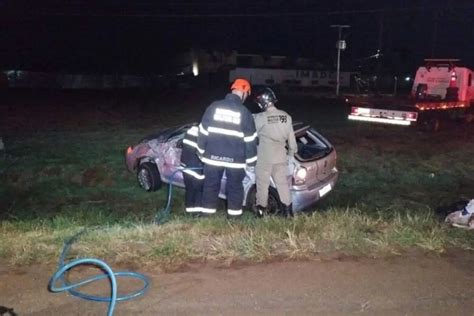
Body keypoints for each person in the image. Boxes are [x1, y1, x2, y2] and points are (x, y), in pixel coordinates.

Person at [197, 78, 257, 218]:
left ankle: (207, 217)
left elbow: (203, 131)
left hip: (212, 158)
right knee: (235, 188)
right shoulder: (245, 113)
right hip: (236, 161)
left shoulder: (213, 107)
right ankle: (234, 219)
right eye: (246, 95)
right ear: (244, 92)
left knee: (210, 187)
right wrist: (251, 163)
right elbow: (250, 140)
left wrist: (201, 152)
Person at [253, 87, 297, 217]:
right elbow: (292, 141)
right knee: (282, 185)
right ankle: (288, 213)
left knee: (262, 186)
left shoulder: (260, 118)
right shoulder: (286, 116)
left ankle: (261, 213)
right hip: (280, 158)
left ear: (263, 102)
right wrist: (291, 155)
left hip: (264, 158)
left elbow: (252, 135)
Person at [180, 124, 204, 215]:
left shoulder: (188, 132)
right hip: (196, 169)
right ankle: (197, 213)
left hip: (185, 167)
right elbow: (202, 153)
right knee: (199, 190)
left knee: (189, 189)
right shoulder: (202, 136)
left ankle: (189, 211)